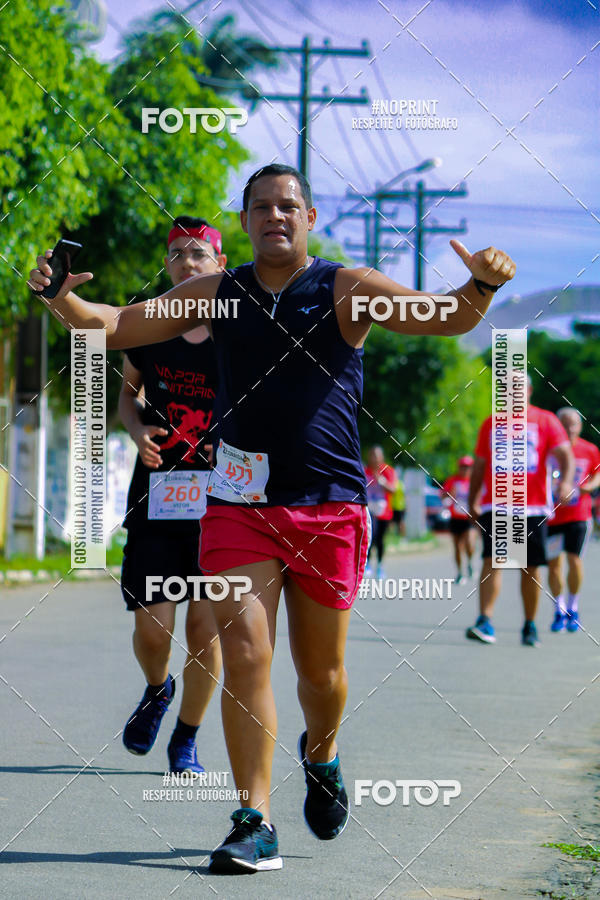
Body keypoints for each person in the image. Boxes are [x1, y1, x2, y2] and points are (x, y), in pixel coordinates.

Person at [29, 162, 516, 875]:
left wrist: (483, 283)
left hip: (328, 506)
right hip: (237, 505)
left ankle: (321, 755)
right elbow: (117, 325)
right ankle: (252, 819)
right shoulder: (218, 293)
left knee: (321, 675)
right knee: (247, 653)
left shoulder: (344, 286)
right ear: (246, 220)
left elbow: (443, 316)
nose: (274, 217)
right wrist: (61, 302)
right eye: (260, 207)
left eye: (288, 206)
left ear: (309, 217)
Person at [118, 217, 226, 774]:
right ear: (167, 265)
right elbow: (126, 399)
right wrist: (137, 433)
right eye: (179, 254)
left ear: (220, 265)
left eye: (200, 254)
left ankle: (186, 737)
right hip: (159, 498)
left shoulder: (239, 337)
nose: (189, 262)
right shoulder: (150, 332)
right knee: (152, 628)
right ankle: (157, 689)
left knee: (205, 630)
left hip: (224, 507)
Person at [466, 378, 574, 647]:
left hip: (533, 506)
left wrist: (566, 481)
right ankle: (485, 621)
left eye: (518, 388)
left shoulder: (546, 420)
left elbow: (565, 455)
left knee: (531, 567)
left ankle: (529, 624)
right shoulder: (491, 423)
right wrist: (472, 499)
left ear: (528, 391)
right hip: (498, 505)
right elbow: (479, 465)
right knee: (493, 560)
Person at [547, 407, 600, 633]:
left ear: (580, 426)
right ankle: (558, 608)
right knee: (554, 564)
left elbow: (598, 473)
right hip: (551, 516)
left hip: (579, 514)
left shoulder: (590, 450)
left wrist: (591, 485)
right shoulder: (549, 449)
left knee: (574, 560)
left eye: (574, 424)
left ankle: (573, 606)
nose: (569, 428)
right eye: (565, 424)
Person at [364, 445, 397, 578]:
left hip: (384, 511)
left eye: (377, 456)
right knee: (370, 535)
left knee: (380, 539)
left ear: (381, 457)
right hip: (369, 510)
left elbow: (393, 490)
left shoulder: (388, 471)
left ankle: (380, 566)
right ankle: (367, 564)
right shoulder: (364, 471)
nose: (374, 459)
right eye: (372, 455)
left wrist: (381, 482)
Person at [442, 456, 476, 584]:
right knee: (457, 547)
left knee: (469, 543)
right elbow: (443, 495)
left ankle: (470, 563)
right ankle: (460, 572)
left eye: (467, 467)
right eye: (463, 467)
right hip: (455, 518)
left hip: (469, 519)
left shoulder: (474, 481)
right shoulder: (453, 480)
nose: (465, 469)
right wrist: (450, 493)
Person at [390, 469, 406, 537]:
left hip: (395, 505)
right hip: (401, 505)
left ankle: (394, 535)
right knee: (400, 522)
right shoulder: (401, 484)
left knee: (395, 522)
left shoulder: (394, 483)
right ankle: (401, 536)